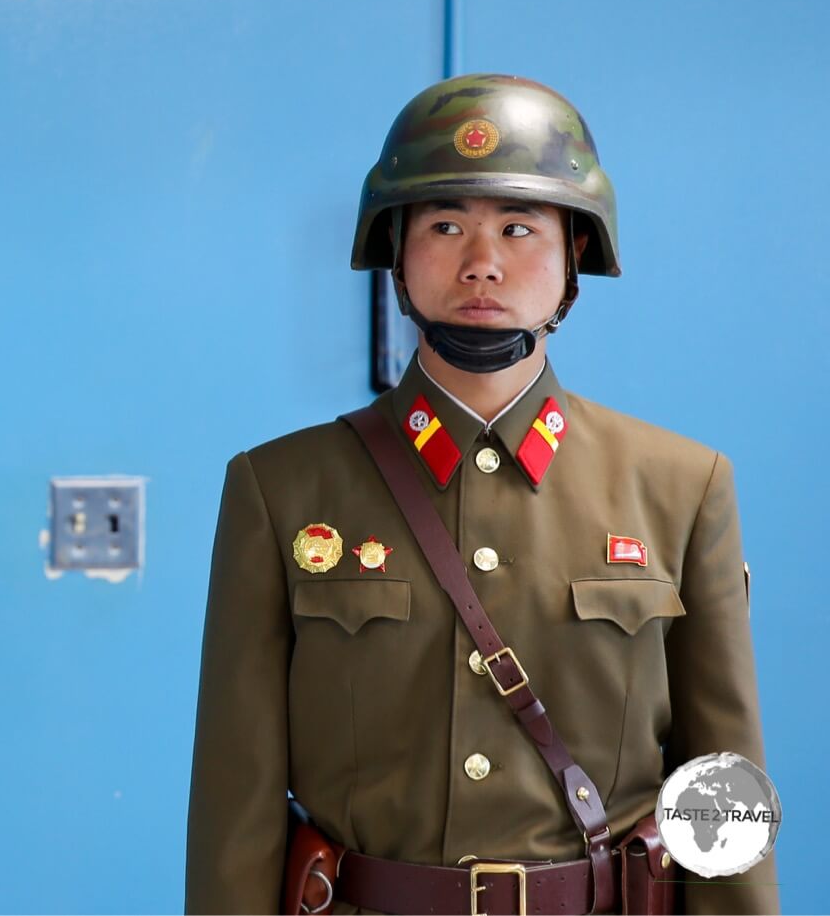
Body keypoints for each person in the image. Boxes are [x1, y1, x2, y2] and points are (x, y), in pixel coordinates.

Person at [185, 74, 775, 915]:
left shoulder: (681, 487)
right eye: (446, 225)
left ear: (576, 253)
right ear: (397, 252)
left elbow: (722, 790)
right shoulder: (281, 489)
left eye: (519, 227)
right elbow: (234, 802)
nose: (482, 261)